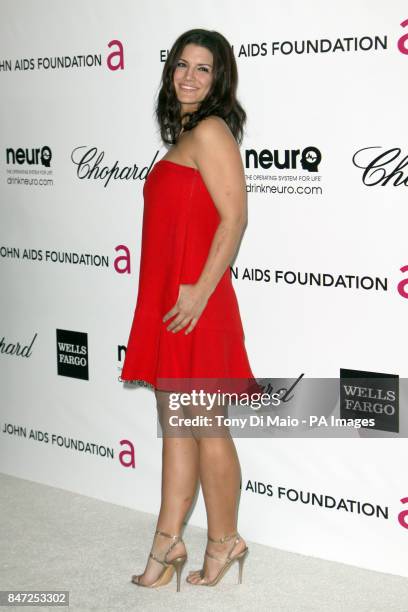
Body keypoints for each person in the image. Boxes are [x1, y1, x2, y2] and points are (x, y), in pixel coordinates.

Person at [120, 28, 258, 591]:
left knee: (204, 424)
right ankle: (167, 541)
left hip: (196, 302)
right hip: (169, 303)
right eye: (182, 64)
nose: (189, 76)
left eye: (203, 68)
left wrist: (199, 291)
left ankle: (225, 540)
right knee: (176, 427)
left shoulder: (211, 131)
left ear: (219, 79)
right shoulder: (183, 138)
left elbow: (235, 219)